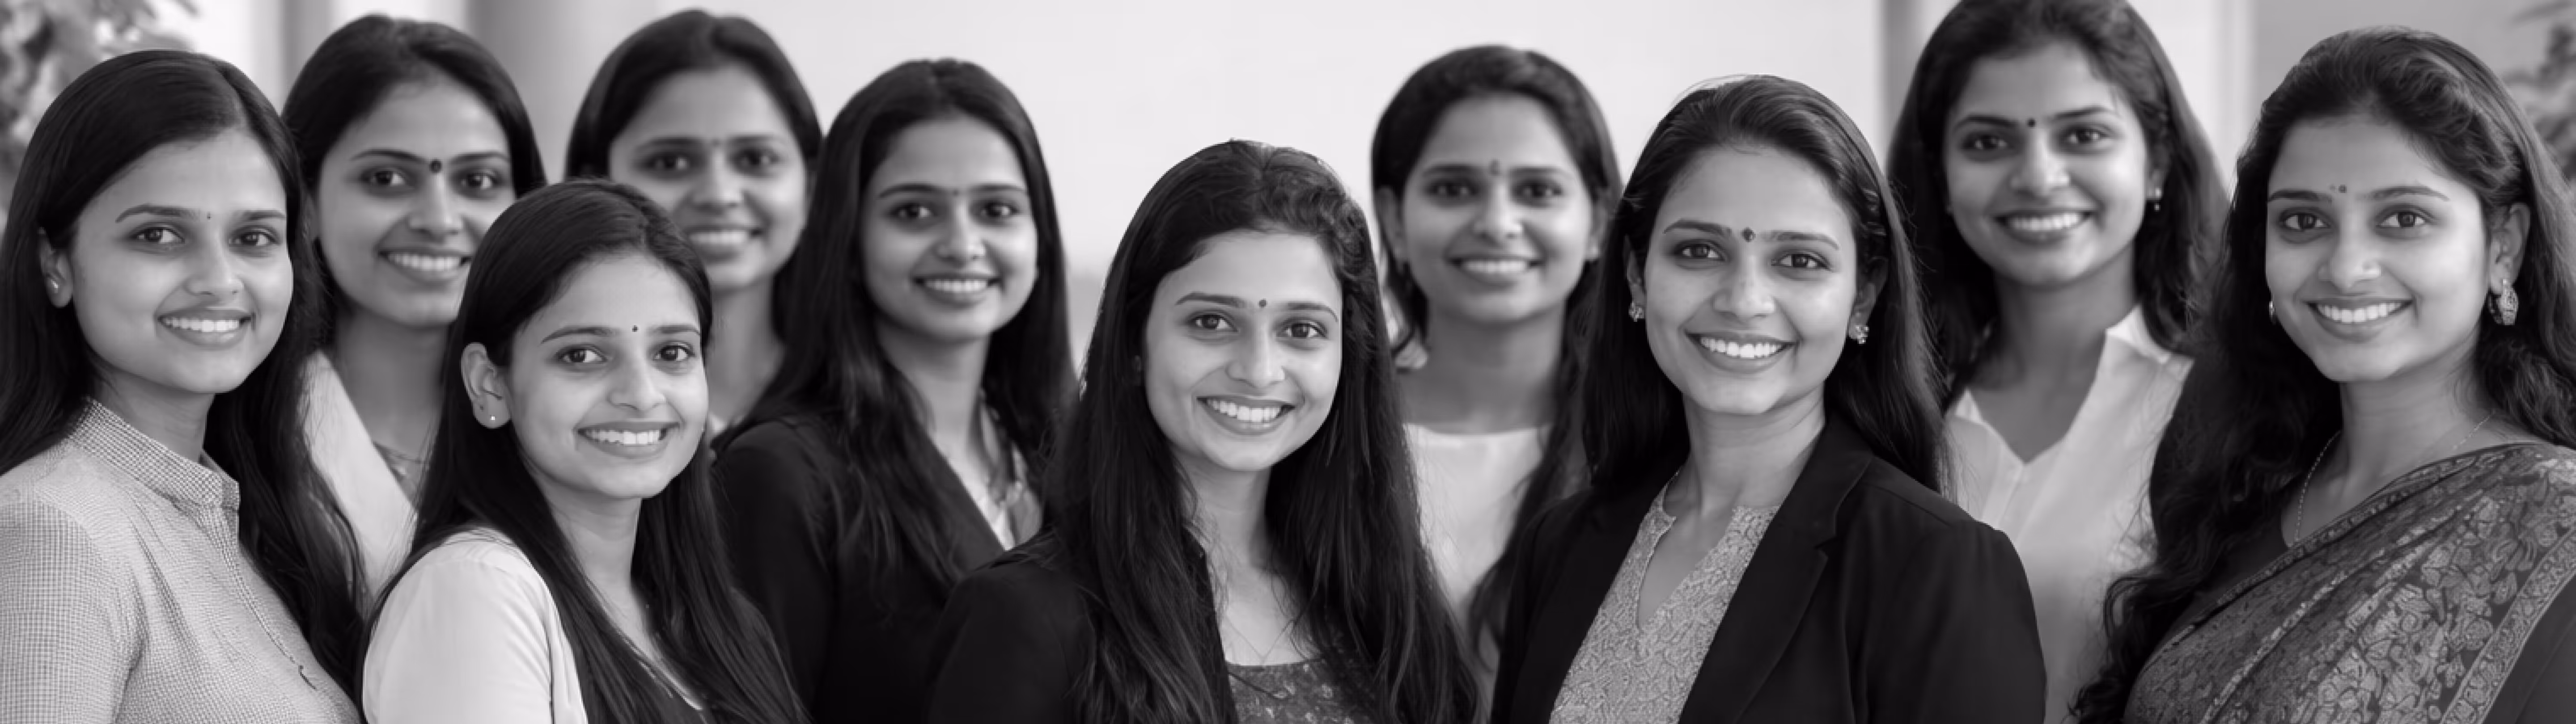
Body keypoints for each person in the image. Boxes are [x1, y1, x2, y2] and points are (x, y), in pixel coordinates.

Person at [1489, 76, 2044, 724]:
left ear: (1863, 296)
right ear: (1638, 274)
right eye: (1700, 251)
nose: (1744, 300)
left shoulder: (1937, 566)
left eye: (1800, 262)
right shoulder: (1558, 548)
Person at [2078, 28, 2576, 724]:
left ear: (2504, 244)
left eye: (2404, 218)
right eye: (2305, 220)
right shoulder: (2243, 485)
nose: (2345, 267)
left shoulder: (2555, 523)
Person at [921, 140, 1479, 723]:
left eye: (1302, 329)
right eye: (1211, 322)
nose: (1259, 370)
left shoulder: (1390, 608)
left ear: (1349, 355)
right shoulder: (1024, 617)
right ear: (1135, 344)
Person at [0, 50, 366, 722]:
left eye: (254, 236)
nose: (220, 279)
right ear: (56, 262)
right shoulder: (51, 530)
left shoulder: (257, 522)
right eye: (159, 235)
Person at [1883, 1, 2222, 718]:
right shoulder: (1883, 404)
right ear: (1938, 175)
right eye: (1987, 143)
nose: (2039, 176)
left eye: (2085, 136)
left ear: (2156, 159)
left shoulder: (2232, 412)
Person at [360, 180, 804, 724]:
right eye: (583, 355)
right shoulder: (476, 591)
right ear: (490, 383)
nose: (641, 395)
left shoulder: (718, 620)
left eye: (672, 352)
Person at [713, 59, 1072, 724]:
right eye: (915, 212)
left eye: (997, 210)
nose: (963, 244)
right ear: (848, 241)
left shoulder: (1076, 458)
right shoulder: (779, 478)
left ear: (1039, 236)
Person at [1367, 46, 1618, 673]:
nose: (1498, 222)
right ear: (1395, 220)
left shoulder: (1651, 441)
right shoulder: (1324, 428)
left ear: (1597, 220)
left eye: (1537, 191)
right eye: (1455, 189)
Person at [283, 13, 548, 594]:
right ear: (304, 203)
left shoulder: (559, 415)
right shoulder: (242, 438)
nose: (438, 220)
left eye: (477, 181)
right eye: (385, 178)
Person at [566, 9, 822, 434]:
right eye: (671, 162)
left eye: (755, 159)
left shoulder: (868, 406)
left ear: (812, 187)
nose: (719, 195)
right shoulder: (552, 404)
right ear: (597, 182)